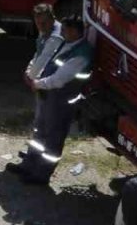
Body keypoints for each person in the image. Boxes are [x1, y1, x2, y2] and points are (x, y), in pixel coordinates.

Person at [6, 16, 93, 185]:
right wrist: (33, 73)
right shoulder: (67, 43)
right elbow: (44, 58)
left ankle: (41, 175)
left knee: (53, 139)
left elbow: (60, 79)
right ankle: (28, 165)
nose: (62, 33)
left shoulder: (81, 55)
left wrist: (37, 83)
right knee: (39, 132)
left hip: (61, 102)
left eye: (65, 30)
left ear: (75, 31)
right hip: (48, 96)